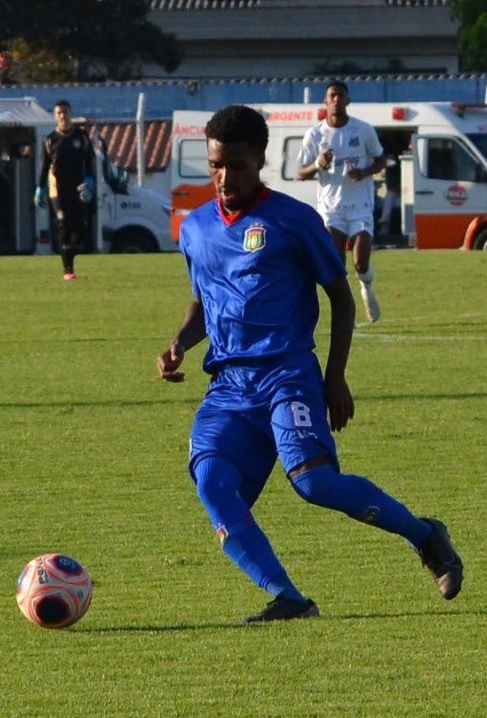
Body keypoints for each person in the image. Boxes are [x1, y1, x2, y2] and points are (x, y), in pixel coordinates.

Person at [157, 104, 463, 624]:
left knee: (315, 484)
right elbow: (205, 301)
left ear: (261, 159)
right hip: (228, 386)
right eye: (214, 166)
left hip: (286, 376)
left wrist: (334, 376)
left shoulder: (295, 221)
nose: (224, 177)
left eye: (236, 166)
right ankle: (289, 598)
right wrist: (179, 343)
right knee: (211, 482)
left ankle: (425, 535)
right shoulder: (196, 227)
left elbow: (341, 299)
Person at [297, 81, 386, 322]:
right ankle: (347, 312)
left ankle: (367, 289)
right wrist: (318, 164)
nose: (336, 100)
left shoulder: (363, 130)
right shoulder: (315, 134)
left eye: (340, 96)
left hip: (360, 208)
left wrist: (365, 172)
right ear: (325, 102)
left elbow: (381, 160)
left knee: (360, 261)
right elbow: (300, 172)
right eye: (332, 96)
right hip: (331, 210)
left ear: (347, 101)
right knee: (336, 265)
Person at [35, 100, 94, 281]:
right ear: (55, 116)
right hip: (57, 191)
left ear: (71, 113)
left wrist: (89, 181)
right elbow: (45, 167)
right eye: (59, 113)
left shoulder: (81, 137)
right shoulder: (50, 140)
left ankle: (71, 253)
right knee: (63, 225)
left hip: (77, 189)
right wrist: (40, 188)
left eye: (65, 112)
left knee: (80, 227)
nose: (62, 115)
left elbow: (90, 163)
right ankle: (68, 270)